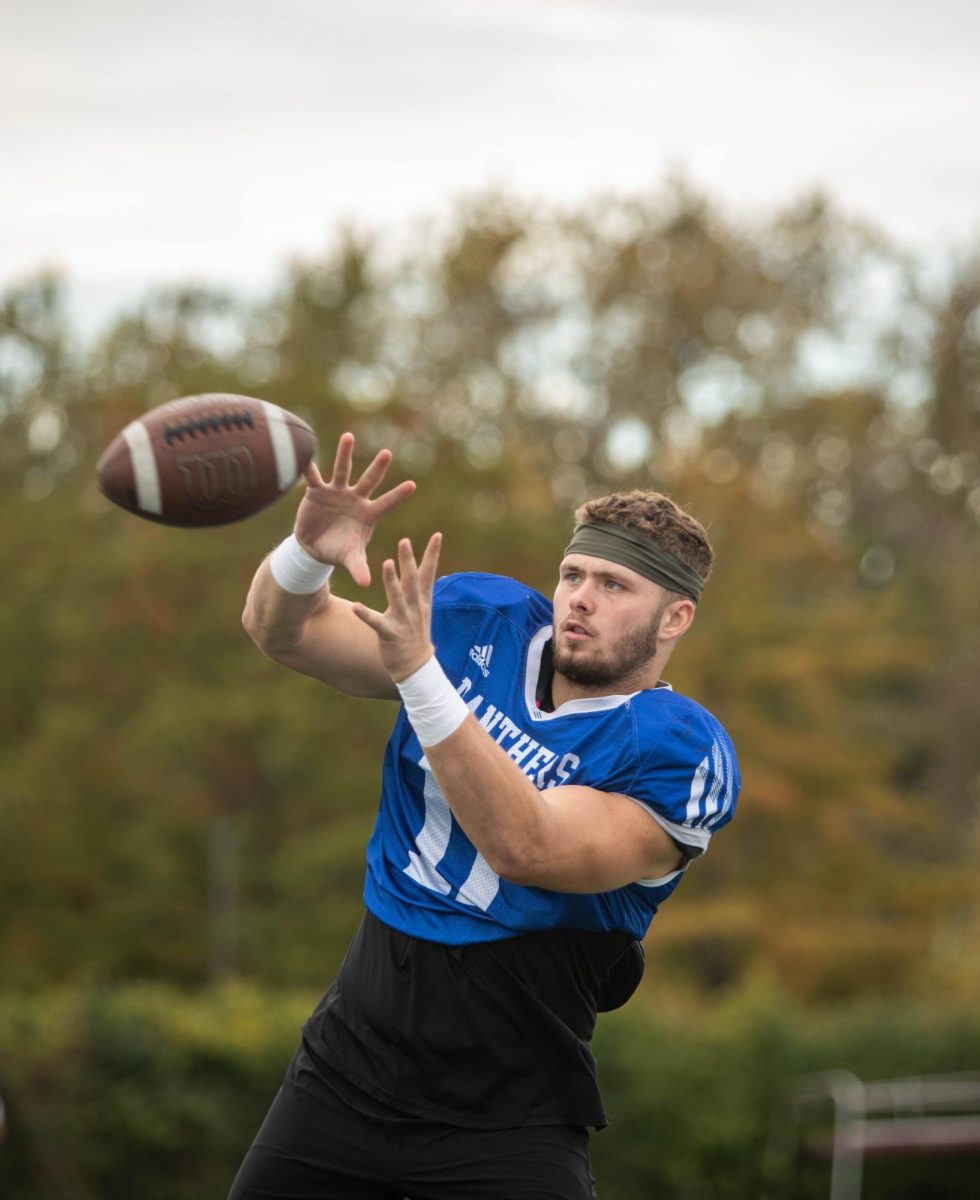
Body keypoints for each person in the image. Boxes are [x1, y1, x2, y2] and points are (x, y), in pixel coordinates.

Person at [229, 432, 740, 1200]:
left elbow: (526, 845)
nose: (581, 598)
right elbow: (285, 631)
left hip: (509, 1119)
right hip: (345, 1071)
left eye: (614, 585)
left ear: (675, 620)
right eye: (573, 573)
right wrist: (305, 555)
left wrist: (422, 678)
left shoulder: (675, 749)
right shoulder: (482, 626)